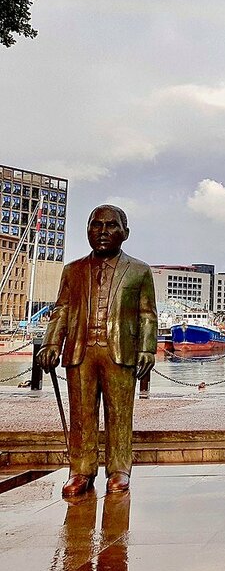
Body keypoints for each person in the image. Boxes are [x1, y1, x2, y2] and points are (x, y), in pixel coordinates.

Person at [39, 205, 157, 498]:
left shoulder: (139, 271)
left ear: (125, 233)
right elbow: (61, 309)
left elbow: (147, 314)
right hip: (80, 351)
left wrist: (147, 348)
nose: (102, 232)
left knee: (119, 413)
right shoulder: (73, 270)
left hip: (120, 351)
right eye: (96, 225)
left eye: (111, 226)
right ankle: (81, 470)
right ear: (88, 230)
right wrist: (51, 343)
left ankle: (119, 470)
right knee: (81, 414)